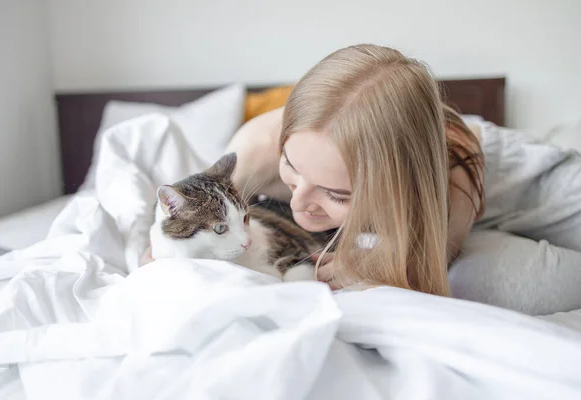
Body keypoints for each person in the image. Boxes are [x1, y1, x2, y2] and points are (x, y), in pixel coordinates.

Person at [143, 44, 581, 314]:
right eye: (293, 171)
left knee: (511, 284)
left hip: (517, 183)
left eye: (336, 193)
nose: (300, 205)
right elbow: (191, 213)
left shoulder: (449, 185)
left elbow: (418, 267)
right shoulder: (255, 150)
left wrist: (377, 262)